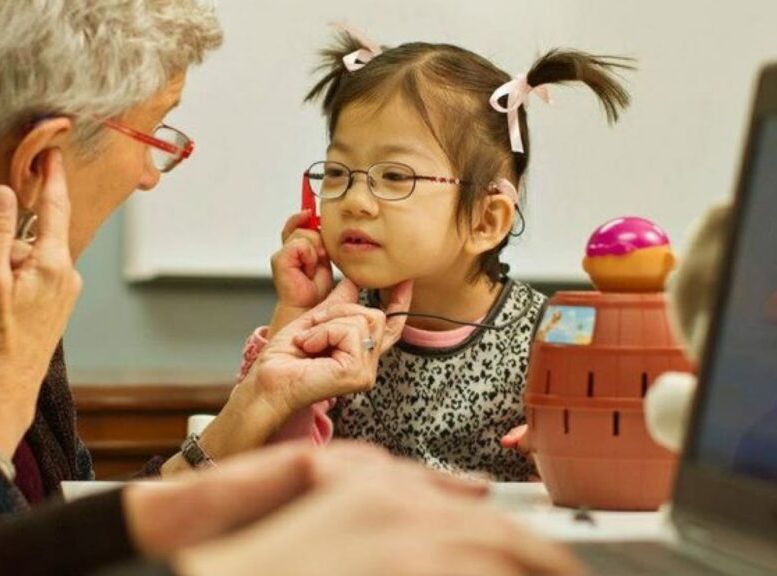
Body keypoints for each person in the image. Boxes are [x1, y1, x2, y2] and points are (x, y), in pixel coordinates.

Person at [0, 0, 582, 575]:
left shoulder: (11, 297)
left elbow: (51, 529)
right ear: (41, 161)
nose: (153, 172)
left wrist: (247, 425)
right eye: (155, 132)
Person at [240, 26, 632, 479]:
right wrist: (296, 312)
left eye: (395, 177)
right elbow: (269, 475)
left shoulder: (556, 335)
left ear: (486, 220)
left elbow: (606, 466)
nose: (354, 200)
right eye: (336, 171)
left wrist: (567, 448)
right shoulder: (332, 325)